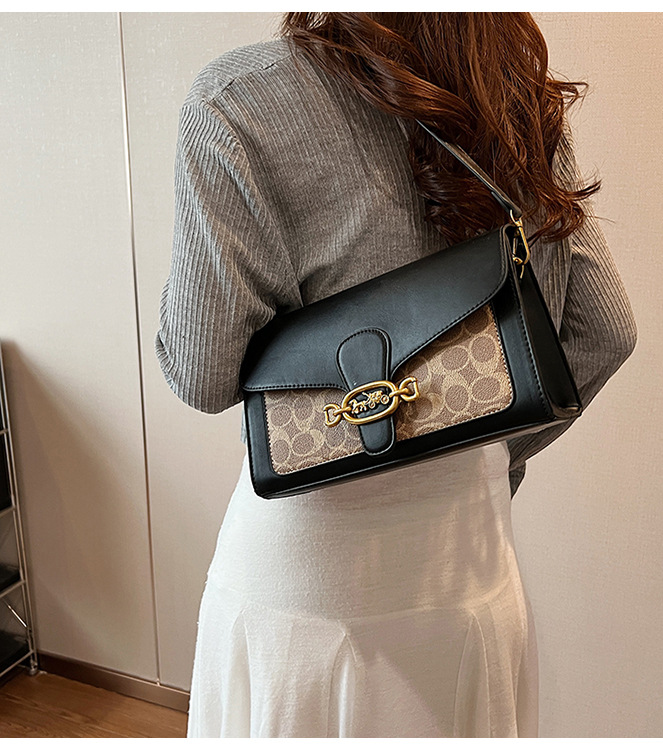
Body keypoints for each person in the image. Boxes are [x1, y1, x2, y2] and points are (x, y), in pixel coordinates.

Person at [154, 12, 637, 738]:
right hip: (469, 571)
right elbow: (605, 330)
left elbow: (201, 373)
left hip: (304, 590)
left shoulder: (236, 102)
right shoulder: (512, 94)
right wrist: (471, 444)